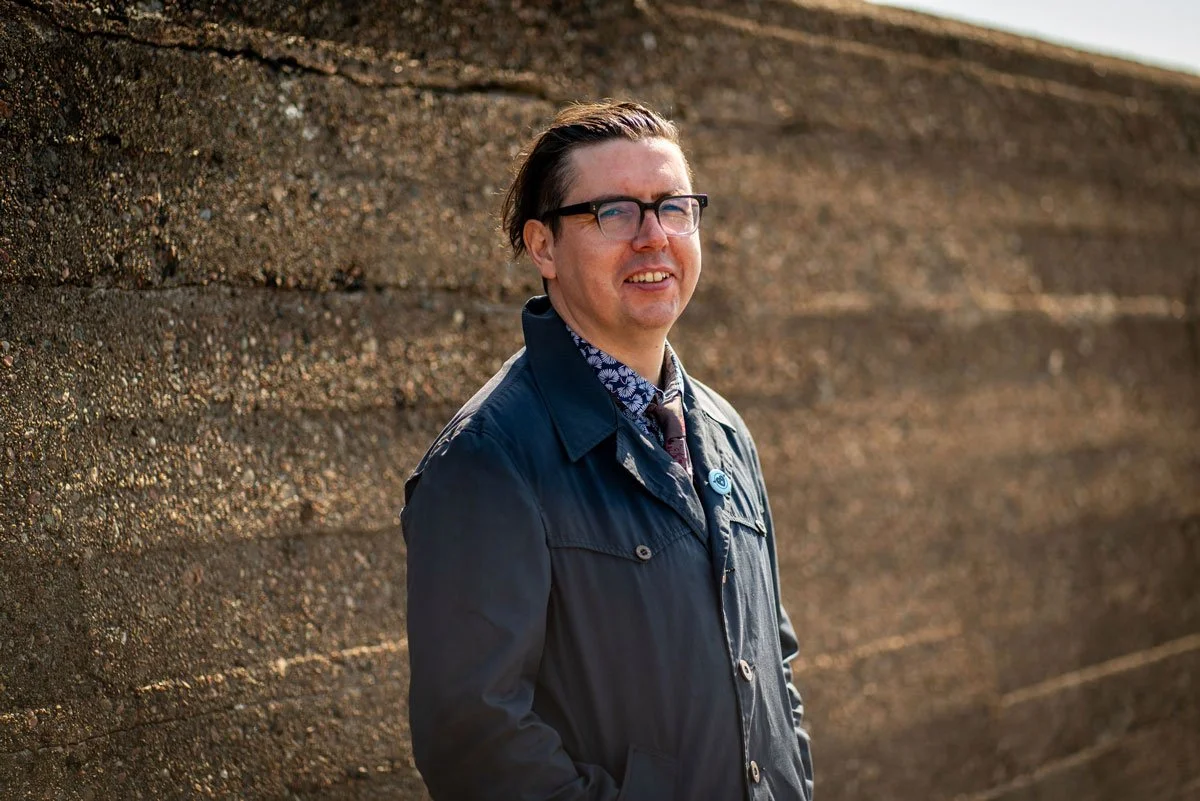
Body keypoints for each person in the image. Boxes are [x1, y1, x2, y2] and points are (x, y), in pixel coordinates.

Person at [401, 100, 814, 801]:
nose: (654, 237)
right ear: (544, 247)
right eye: (615, 212)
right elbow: (474, 740)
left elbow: (771, 669)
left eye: (674, 207)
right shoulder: (488, 458)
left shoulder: (724, 430)